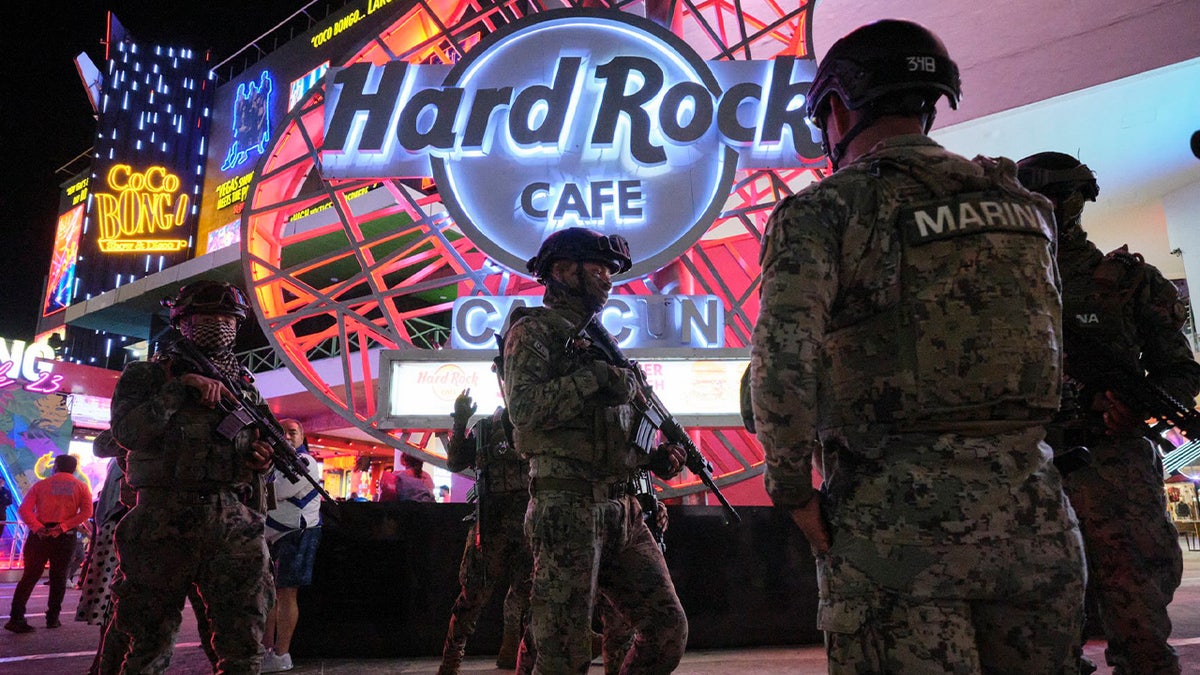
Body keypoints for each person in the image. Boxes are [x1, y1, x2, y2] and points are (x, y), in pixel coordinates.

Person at [749, 19, 1087, 671]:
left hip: (895, 528)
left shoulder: (826, 209)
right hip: (1035, 517)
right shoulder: (1025, 207)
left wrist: (792, 490)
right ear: (930, 106)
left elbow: (784, 358)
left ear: (837, 109)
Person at [1019, 151, 1198, 674]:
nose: (1055, 207)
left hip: (1112, 464)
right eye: (1044, 197)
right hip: (1028, 465)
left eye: (1065, 195)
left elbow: (1179, 372)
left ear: (1083, 199)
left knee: (1140, 628)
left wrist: (1134, 412)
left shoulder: (1131, 282)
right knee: (1037, 639)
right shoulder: (998, 283)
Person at [503, 226, 688, 674]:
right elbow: (524, 409)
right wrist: (597, 379)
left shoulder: (603, 340)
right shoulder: (533, 332)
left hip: (622, 507)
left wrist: (655, 458)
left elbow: (618, 426)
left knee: (666, 628)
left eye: (611, 270)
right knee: (564, 655)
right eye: (600, 268)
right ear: (564, 271)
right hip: (567, 506)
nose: (609, 279)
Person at [107, 279, 276, 672]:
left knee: (244, 644)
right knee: (148, 643)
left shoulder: (245, 388)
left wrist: (262, 460)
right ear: (182, 322)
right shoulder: (147, 376)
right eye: (206, 318)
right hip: (161, 518)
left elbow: (259, 451)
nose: (217, 325)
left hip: (232, 520)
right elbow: (127, 433)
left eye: (227, 319)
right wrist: (180, 388)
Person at [437, 391, 532, 674]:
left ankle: (522, 663)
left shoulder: (538, 427)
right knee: (471, 598)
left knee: (532, 601)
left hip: (529, 529)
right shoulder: (486, 430)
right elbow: (455, 462)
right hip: (491, 528)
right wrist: (461, 419)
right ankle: (450, 662)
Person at [262, 418, 324, 673]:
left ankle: (281, 652)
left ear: (303, 435)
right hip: (277, 536)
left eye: (293, 432)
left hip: (296, 534)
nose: (287, 436)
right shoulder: (276, 463)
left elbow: (273, 492)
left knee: (285, 593)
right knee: (272, 595)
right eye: (283, 432)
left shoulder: (305, 461)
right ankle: (269, 650)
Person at [4, 454, 93, 633]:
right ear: (75, 469)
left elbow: (24, 510)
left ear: (55, 467)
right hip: (65, 537)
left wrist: (38, 528)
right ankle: (53, 618)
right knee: (59, 577)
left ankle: (16, 617)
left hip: (39, 537)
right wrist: (63, 527)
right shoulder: (81, 487)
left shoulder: (41, 485)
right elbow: (86, 512)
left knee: (30, 576)